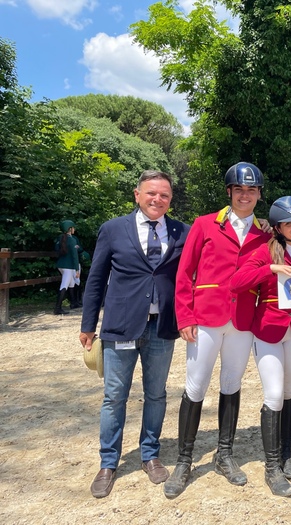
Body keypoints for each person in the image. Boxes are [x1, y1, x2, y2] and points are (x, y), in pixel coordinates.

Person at [79, 170, 189, 498]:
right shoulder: (113, 230)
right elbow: (96, 279)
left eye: (165, 195)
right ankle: (108, 462)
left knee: (156, 395)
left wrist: (267, 229)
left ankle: (150, 454)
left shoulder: (181, 231)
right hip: (120, 326)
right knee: (115, 397)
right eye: (151, 193)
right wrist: (88, 325)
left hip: (162, 328)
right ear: (137, 194)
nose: (158, 200)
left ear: (171, 199)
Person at [165, 162, 270, 498]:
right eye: (239, 189)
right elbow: (184, 274)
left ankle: (225, 454)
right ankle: (184, 460)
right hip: (205, 318)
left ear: (258, 195)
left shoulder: (265, 233)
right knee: (195, 386)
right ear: (229, 192)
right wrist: (185, 316)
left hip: (241, 321)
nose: (245, 195)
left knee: (231, 384)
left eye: (251, 190)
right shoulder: (204, 224)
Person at [229, 196, 291, 498]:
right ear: (278, 227)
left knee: (290, 392)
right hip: (268, 330)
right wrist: (271, 269)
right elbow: (237, 282)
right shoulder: (265, 251)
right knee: (274, 394)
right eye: (289, 223)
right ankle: (272, 466)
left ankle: (287, 453)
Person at [54, 220, 81, 314]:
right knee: (64, 285)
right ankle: (57, 308)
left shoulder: (60, 238)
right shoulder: (72, 240)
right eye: (73, 227)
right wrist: (77, 269)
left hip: (60, 265)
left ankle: (73, 303)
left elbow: (56, 249)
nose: (74, 229)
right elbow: (75, 255)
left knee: (71, 283)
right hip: (69, 266)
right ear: (70, 228)